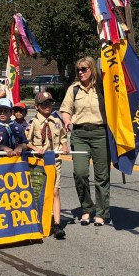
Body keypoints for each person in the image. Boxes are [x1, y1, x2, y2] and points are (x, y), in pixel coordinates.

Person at [59, 56, 111, 227]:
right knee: (80, 173)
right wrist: (67, 120)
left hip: (100, 133)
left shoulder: (103, 88)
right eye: (78, 70)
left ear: (92, 70)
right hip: (79, 134)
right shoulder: (73, 89)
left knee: (101, 176)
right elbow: (65, 110)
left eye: (84, 69)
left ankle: (102, 212)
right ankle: (87, 208)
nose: (80, 72)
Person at [27, 91, 69, 240]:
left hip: (54, 160)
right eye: (44, 104)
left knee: (55, 191)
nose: (48, 106)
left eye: (50, 103)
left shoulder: (56, 121)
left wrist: (64, 145)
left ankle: (57, 224)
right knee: (39, 192)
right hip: (38, 162)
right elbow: (26, 141)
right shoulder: (33, 123)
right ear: (37, 107)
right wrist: (34, 149)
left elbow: (63, 136)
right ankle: (36, 220)